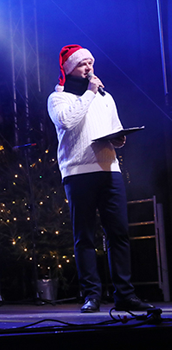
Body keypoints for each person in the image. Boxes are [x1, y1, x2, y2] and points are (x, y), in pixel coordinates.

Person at [47, 44, 154, 313]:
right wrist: (90, 93)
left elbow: (113, 129)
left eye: (91, 62)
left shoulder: (106, 97)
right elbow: (68, 122)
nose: (89, 67)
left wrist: (119, 139)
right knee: (84, 236)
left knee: (118, 233)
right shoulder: (58, 98)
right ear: (70, 68)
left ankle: (125, 295)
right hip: (78, 172)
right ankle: (92, 295)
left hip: (109, 170)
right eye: (83, 63)